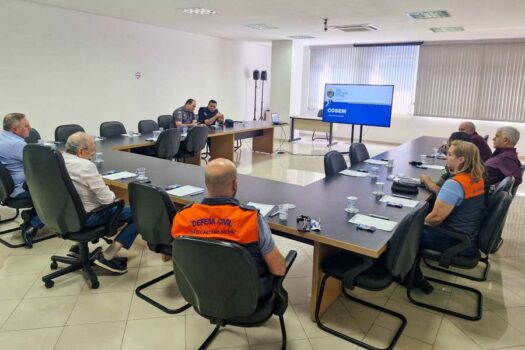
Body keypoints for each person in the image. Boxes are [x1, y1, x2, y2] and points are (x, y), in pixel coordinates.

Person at [171, 158, 286, 298]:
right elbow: (278, 269)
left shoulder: (182, 217)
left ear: (206, 184)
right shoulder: (251, 219)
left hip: (201, 291)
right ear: (234, 185)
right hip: (248, 296)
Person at [413, 141, 486, 294]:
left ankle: (413, 278)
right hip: (468, 237)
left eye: (450, 154)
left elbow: (435, 219)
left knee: (405, 234)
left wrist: (411, 224)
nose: (446, 157)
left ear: (461, 160)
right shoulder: (475, 178)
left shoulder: (455, 183)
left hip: (454, 239)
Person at [62, 132, 139, 274]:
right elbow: (108, 200)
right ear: (80, 151)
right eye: (92, 149)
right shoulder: (85, 166)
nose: (94, 152)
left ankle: (78, 248)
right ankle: (108, 256)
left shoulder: (57, 159)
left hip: (62, 215)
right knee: (139, 214)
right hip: (87, 218)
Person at [0, 113, 44, 246]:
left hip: (7, 189)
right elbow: (42, 164)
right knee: (62, 193)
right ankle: (32, 225)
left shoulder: (3, 137)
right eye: (26, 126)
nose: (30, 128)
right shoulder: (16, 144)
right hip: (20, 189)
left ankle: (31, 214)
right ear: (14, 129)